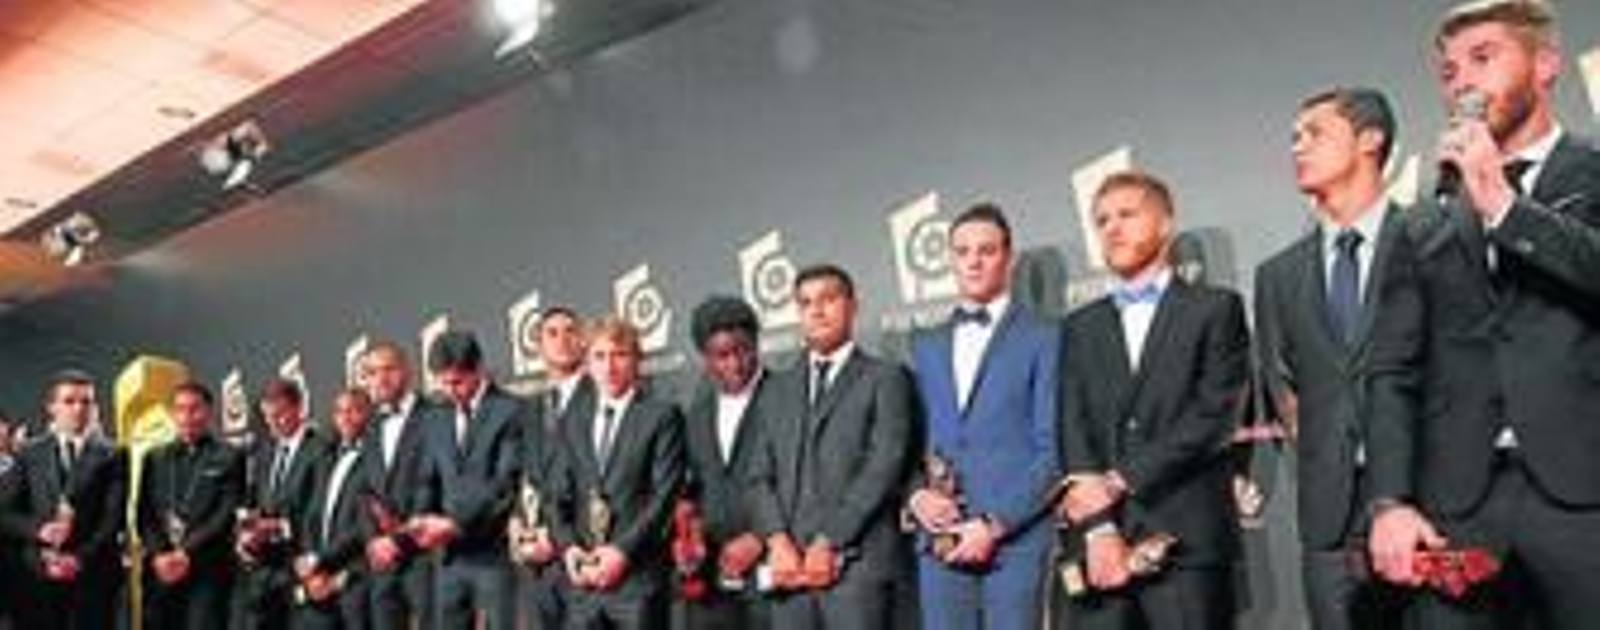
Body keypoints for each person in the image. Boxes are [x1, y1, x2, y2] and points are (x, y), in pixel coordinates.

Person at [1365, 2, 1600, 627]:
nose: (1462, 82)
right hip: (1458, 506)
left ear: (1545, 65)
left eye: (1483, 58)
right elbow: (1392, 369)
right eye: (1449, 72)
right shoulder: (1424, 219)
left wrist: (1502, 203)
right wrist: (1389, 500)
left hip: (1585, 498)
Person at [1055, 171, 1250, 630]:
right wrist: (1099, 526)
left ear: (1165, 224)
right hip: (1099, 545)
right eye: (1102, 220)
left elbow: (1214, 415)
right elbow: (1073, 425)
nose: (1112, 228)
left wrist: (1120, 480)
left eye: (1126, 214)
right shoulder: (1080, 326)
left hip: (1186, 541)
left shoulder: (1215, 308)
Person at [1255, 87, 1410, 630]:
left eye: (1314, 133)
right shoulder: (1277, 276)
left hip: (1427, 504)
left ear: (1370, 140)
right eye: (1294, 137)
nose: (1297, 146)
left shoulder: (1430, 239)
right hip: (1328, 518)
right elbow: (1282, 387)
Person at [905, 204, 1061, 630]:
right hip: (939, 544)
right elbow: (907, 444)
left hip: (1016, 545)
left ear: (1008, 258)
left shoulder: (1046, 337)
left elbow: (1054, 450)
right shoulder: (924, 344)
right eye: (962, 252)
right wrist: (916, 496)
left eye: (986, 251)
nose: (973, 261)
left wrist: (995, 524)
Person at [745, 264, 918, 630]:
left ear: (853, 306)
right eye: (806, 303)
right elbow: (757, 476)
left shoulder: (885, 377)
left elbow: (884, 467)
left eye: (828, 299)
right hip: (789, 574)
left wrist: (830, 540)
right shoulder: (775, 389)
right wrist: (776, 541)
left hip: (858, 571)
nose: (817, 311)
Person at [548, 316, 686, 629]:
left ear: (637, 361)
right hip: (583, 585)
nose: (609, 366)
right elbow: (556, 495)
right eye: (599, 356)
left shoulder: (661, 416)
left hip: (638, 583)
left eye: (619, 355)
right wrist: (569, 548)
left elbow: (664, 497)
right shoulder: (572, 421)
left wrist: (622, 552)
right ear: (587, 364)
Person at [412, 329, 527, 630]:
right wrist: (421, 519)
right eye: (443, 382)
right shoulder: (435, 417)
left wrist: (455, 524)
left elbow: (505, 484)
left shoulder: (511, 410)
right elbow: (428, 479)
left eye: (457, 382)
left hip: (495, 555)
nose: (450, 390)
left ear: (478, 369)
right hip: (449, 559)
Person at [676, 296, 775, 629]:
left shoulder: (787, 397)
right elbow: (691, 490)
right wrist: (692, 538)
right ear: (705, 358)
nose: (735, 364)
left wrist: (761, 538)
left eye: (744, 350)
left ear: (757, 344)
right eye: (722, 355)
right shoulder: (697, 414)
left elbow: (805, 482)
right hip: (712, 585)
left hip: (775, 579)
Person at [0, 370, 126, 629]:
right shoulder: (28, 452)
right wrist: (39, 530)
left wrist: (79, 558)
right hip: (36, 577)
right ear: (51, 407)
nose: (79, 409)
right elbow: (5, 513)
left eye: (86, 402)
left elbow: (112, 519)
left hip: (94, 576)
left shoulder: (115, 454)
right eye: (69, 401)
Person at [140, 381, 247, 630]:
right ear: (172, 414)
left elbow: (225, 514)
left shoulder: (229, 456)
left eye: (194, 409)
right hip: (160, 572)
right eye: (180, 409)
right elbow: (144, 512)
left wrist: (185, 552)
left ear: (209, 412)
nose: (187, 416)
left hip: (206, 571)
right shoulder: (154, 457)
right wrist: (159, 554)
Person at [512, 305, 591, 630]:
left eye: (571, 331)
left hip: (581, 554)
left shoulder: (601, 397)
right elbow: (525, 477)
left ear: (584, 342)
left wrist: (558, 538)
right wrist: (518, 526)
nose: (562, 340)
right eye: (552, 333)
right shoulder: (529, 408)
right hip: (534, 565)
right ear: (539, 347)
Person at [234, 378, 333, 630]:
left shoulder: (321, 450)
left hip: (301, 566)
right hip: (263, 572)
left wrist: (280, 527)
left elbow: (320, 512)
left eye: (280, 415)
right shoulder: (263, 452)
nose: (273, 423)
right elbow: (254, 504)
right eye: (268, 417)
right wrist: (246, 536)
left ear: (299, 408)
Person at [359, 341, 440, 630]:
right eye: (372, 372)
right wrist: (373, 541)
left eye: (388, 369)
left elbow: (434, 484)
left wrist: (398, 540)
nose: (380, 379)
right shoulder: (371, 426)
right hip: (383, 564)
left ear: (407, 371)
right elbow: (365, 490)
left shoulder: (435, 415)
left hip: (427, 559)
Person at [293, 388, 378, 629]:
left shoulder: (378, 457)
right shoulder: (326, 457)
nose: (346, 418)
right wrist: (311, 563)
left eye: (354, 410)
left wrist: (320, 559)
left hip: (357, 576)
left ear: (369, 414)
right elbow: (312, 514)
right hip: (319, 578)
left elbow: (365, 523)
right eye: (340, 412)